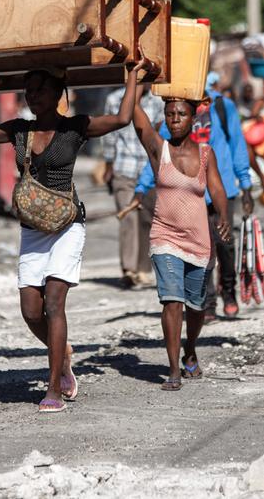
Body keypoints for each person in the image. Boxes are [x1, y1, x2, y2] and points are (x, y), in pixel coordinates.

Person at [0, 58, 145, 412]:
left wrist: (131, 76)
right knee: (31, 311)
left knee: (54, 303)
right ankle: (62, 355)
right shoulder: (18, 130)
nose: (34, 96)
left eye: (40, 89)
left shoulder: (76, 128)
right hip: (33, 229)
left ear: (58, 93)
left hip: (68, 225)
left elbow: (121, 119)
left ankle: (54, 387)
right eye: (29, 90)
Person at [132, 89, 230, 390]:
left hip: (199, 239)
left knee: (196, 306)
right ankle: (174, 369)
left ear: (193, 116)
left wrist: (224, 217)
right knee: (172, 301)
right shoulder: (158, 149)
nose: (174, 120)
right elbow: (136, 118)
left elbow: (218, 190)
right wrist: (136, 77)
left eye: (181, 114)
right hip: (165, 235)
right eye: (170, 114)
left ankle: (190, 349)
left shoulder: (205, 154)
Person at [135, 71, 253, 319]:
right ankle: (207, 303)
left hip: (222, 189)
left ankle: (228, 290)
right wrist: (142, 186)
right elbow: (160, 155)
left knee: (224, 244)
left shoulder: (223, 106)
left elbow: (238, 144)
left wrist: (246, 185)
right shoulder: (176, 111)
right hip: (191, 196)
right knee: (203, 248)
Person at [102, 85, 163, 288]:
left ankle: (143, 269)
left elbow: (158, 136)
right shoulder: (115, 98)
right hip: (124, 167)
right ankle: (129, 269)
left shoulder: (158, 101)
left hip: (149, 169)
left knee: (147, 220)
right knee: (128, 218)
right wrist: (109, 164)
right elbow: (109, 136)